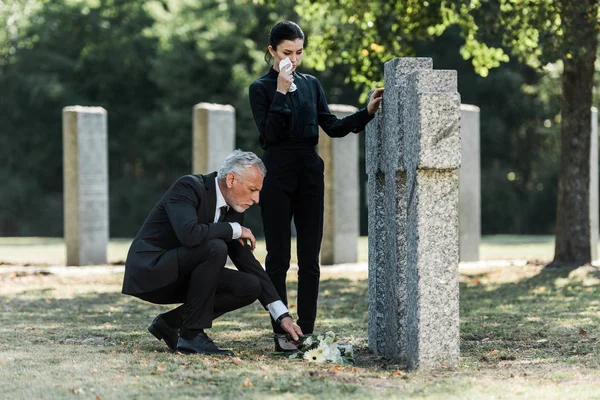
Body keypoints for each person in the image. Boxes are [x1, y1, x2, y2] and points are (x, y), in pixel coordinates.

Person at [248, 21, 383, 351]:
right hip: (277, 173)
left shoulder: (311, 84)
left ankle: (305, 331)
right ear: (272, 52)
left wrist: (365, 113)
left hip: (310, 172)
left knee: (310, 260)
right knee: (278, 258)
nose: (293, 60)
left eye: (299, 53)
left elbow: (333, 127)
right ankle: (283, 332)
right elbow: (269, 135)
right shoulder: (260, 88)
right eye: (286, 53)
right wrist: (281, 89)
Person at [122, 150, 303, 356]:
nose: (256, 199)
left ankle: (170, 324)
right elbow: (189, 234)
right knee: (216, 248)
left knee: (250, 285)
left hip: (185, 276)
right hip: (151, 272)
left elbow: (247, 262)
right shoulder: (189, 187)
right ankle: (191, 336)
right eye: (253, 189)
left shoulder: (233, 210)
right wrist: (234, 229)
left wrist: (282, 315)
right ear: (232, 179)